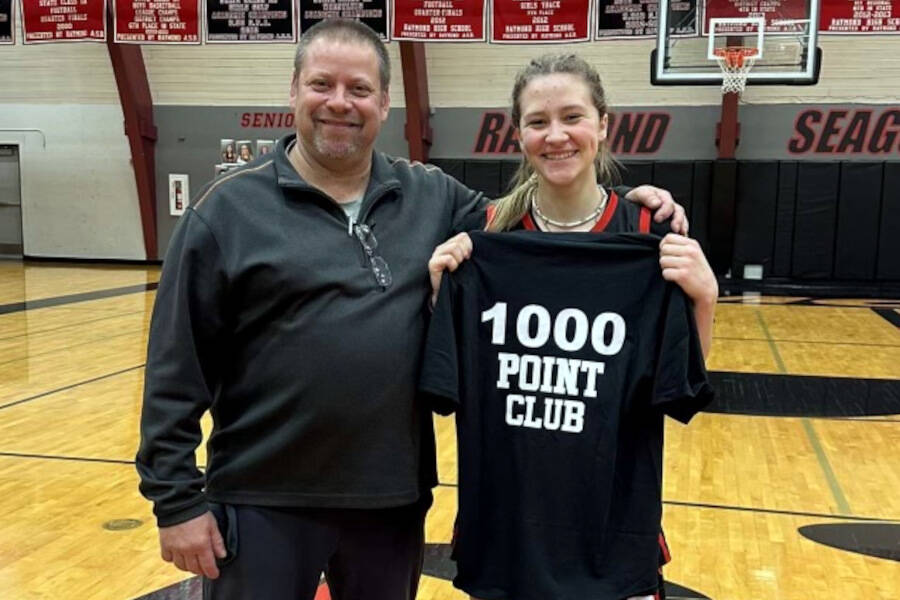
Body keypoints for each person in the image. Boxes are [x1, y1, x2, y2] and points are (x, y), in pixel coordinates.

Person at [136, 20, 689, 600]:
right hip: (262, 500)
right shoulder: (226, 212)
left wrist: (628, 205)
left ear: (384, 102)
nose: (340, 103)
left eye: (359, 89)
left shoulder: (433, 196)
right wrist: (176, 502)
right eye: (322, 84)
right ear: (294, 91)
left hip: (390, 502)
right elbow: (175, 368)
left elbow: (541, 221)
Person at [424, 54, 718, 600]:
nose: (556, 135)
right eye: (538, 121)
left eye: (573, 117)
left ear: (604, 124)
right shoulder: (483, 237)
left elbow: (678, 392)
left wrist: (706, 300)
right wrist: (445, 296)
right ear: (518, 135)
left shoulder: (648, 234)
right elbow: (448, 383)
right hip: (506, 535)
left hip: (611, 535)